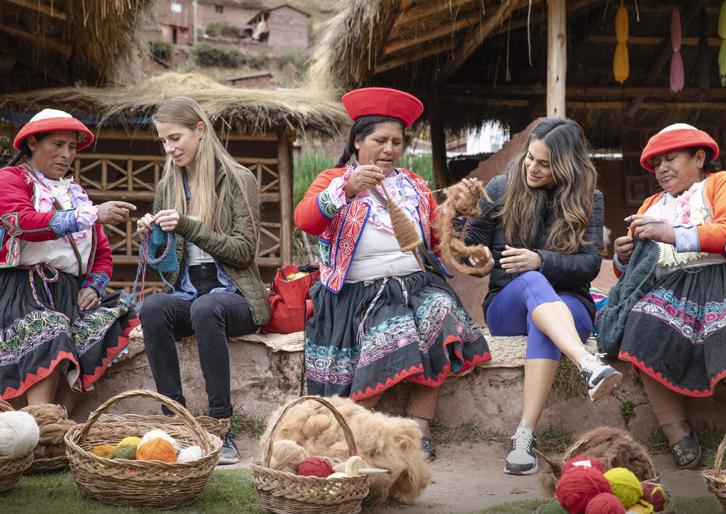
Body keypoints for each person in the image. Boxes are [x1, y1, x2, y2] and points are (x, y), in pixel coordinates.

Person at [295, 87, 491, 460]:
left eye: (396, 142)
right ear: (357, 141)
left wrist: (458, 212)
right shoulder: (333, 179)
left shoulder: (414, 185)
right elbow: (305, 220)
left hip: (415, 285)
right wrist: (348, 189)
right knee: (395, 330)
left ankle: (419, 425)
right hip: (357, 293)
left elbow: (434, 241)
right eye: (379, 140)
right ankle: (353, 425)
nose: (388, 149)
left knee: (441, 312)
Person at [454, 118, 622, 475]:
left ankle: (524, 436)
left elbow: (590, 265)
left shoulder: (588, 198)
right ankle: (587, 363)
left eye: (544, 164)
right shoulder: (501, 188)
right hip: (507, 306)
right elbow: (471, 257)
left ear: (566, 166)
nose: (532, 167)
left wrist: (540, 259)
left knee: (541, 314)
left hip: (570, 306)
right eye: (530, 158)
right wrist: (461, 215)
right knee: (531, 281)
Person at [136, 97, 269, 464]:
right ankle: (176, 422)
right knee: (153, 307)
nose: (170, 148)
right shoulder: (168, 184)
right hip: (189, 293)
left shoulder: (239, 179)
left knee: (208, 309)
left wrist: (188, 226)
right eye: (163, 141)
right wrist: (151, 237)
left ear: (200, 130)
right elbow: (166, 270)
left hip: (235, 295)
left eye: (175, 138)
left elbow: (244, 252)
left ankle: (219, 427)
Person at [610, 123, 726, 469]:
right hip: (671, 289)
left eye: (671, 159)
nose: (662, 170)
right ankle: (676, 430)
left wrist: (670, 233)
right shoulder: (652, 204)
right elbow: (637, 270)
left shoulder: (724, 184)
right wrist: (623, 257)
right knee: (640, 325)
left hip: (723, 279)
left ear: (699, 158)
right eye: (657, 164)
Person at [0, 109, 138, 410]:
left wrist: (93, 286)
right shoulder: (11, 179)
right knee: (50, 330)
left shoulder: (76, 193)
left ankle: (59, 424)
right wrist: (89, 215)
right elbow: (22, 222)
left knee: (107, 325)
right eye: (58, 144)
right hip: (22, 290)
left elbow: (101, 254)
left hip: (69, 292)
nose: (66, 154)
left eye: (72, 147)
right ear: (33, 143)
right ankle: (39, 418)